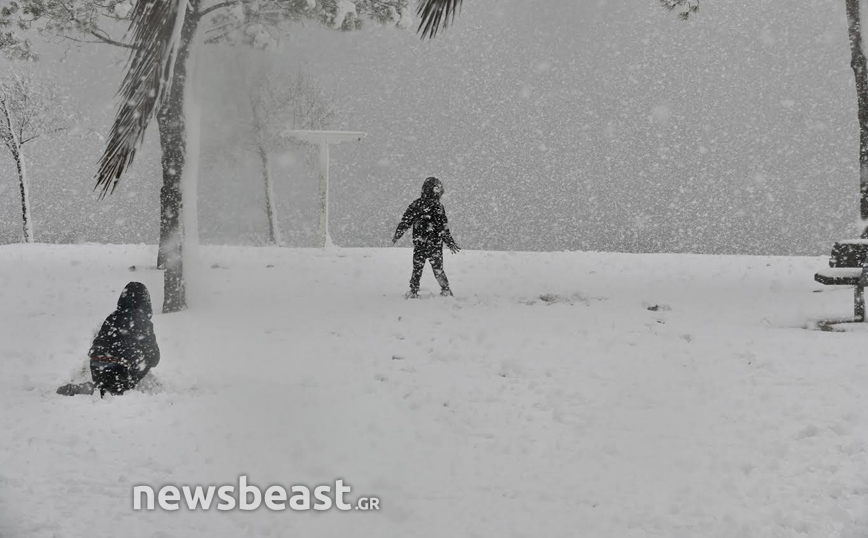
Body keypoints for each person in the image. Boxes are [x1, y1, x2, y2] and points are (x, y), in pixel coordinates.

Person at [57, 282, 160, 397]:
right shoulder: (142, 322)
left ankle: (92, 388)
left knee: (107, 383)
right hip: (120, 369)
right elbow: (154, 356)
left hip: (97, 365)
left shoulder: (112, 317)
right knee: (146, 359)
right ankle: (122, 388)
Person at [392, 176, 460, 298]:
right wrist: (449, 241)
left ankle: (413, 291)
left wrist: (398, 234)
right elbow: (442, 227)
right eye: (438, 189)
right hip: (434, 243)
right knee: (438, 268)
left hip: (420, 243)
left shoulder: (417, 204)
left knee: (417, 268)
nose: (439, 192)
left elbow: (405, 221)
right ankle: (445, 290)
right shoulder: (438, 206)